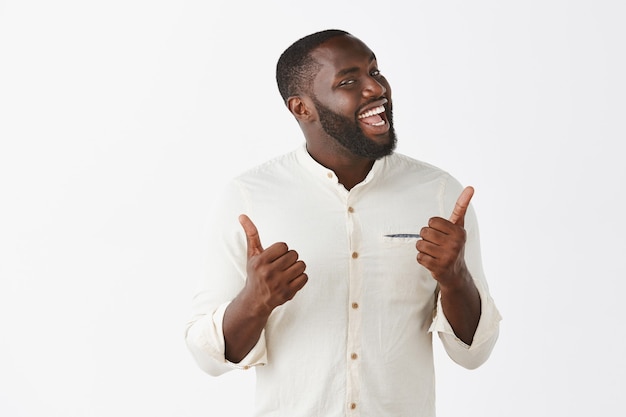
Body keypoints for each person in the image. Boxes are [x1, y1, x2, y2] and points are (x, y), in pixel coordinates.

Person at [185, 29, 501, 417]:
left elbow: (475, 353)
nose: (375, 88)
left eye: (375, 71)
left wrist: (455, 278)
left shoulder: (438, 194)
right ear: (302, 108)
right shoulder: (249, 198)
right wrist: (255, 301)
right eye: (349, 81)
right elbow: (208, 358)